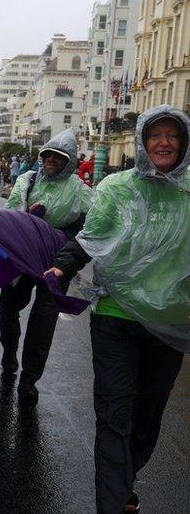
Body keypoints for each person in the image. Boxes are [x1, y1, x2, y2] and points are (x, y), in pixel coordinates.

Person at [45, 105, 190, 513]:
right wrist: (62, 264)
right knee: (113, 415)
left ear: (182, 143)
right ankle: (113, 502)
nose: (164, 142)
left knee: (146, 419)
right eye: (155, 135)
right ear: (143, 143)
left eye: (172, 135)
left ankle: (122, 480)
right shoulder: (115, 188)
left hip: (169, 322)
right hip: (115, 316)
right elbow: (91, 237)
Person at [0, 129, 92, 402]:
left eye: (59, 156)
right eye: (48, 155)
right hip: (25, 254)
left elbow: (91, 229)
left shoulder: (80, 191)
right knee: (7, 309)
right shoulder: (26, 181)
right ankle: (9, 352)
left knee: (43, 321)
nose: (51, 160)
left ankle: (29, 379)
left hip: (57, 261)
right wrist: (27, 216)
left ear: (69, 161)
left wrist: (68, 255)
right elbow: (10, 216)